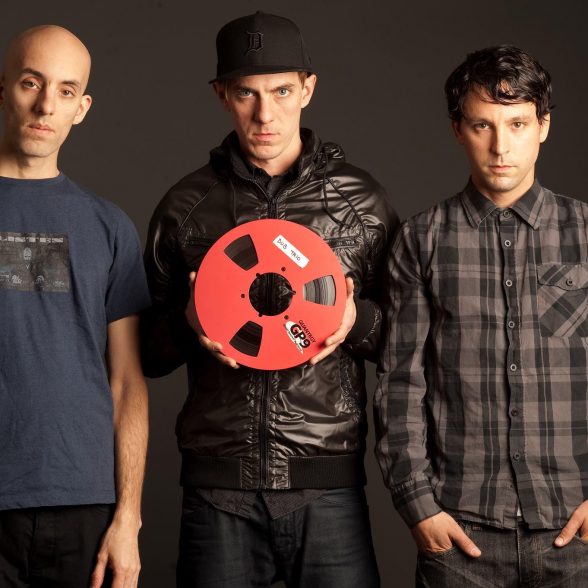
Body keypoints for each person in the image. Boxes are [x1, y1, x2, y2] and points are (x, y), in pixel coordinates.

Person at [142, 11, 398, 587]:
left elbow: (405, 340)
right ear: (221, 95)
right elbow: (146, 355)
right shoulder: (185, 208)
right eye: (246, 94)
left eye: (282, 91)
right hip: (218, 489)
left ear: (308, 88)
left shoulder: (360, 203)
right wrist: (187, 324)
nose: (265, 114)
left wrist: (356, 321)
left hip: (326, 484)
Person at [376, 44, 588, 586]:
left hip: (577, 536)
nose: (500, 146)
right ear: (457, 129)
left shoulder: (585, 233)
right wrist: (418, 505)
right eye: (482, 125)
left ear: (543, 126)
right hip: (460, 537)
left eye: (517, 124)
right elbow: (400, 384)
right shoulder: (421, 239)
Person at [0, 25, 150, 588]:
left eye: (66, 91)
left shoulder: (108, 226)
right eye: (31, 83)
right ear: (3, 88)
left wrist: (129, 518)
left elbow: (127, 382)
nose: (46, 105)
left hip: (83, 501)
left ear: (81, 108)